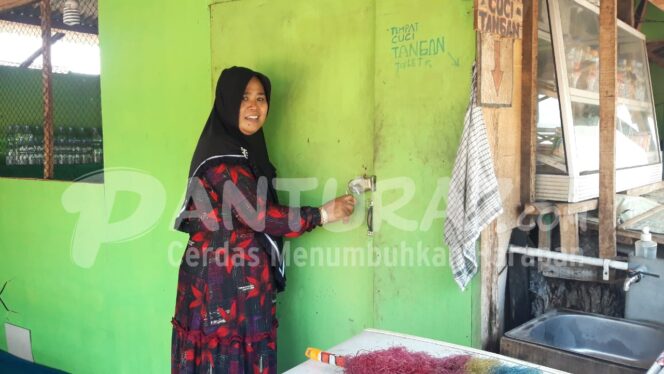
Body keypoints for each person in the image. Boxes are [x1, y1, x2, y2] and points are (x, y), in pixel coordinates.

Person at [171, 66, 355, 373]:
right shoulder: (219, 155)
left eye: (261, 98)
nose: (254, 107)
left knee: (247, 358)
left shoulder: (249, 151)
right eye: (244, 98)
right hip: (218, 286)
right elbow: (258, 215)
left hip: (245, 279)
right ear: (228, 102)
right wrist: (322, 214)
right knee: (221, 362)